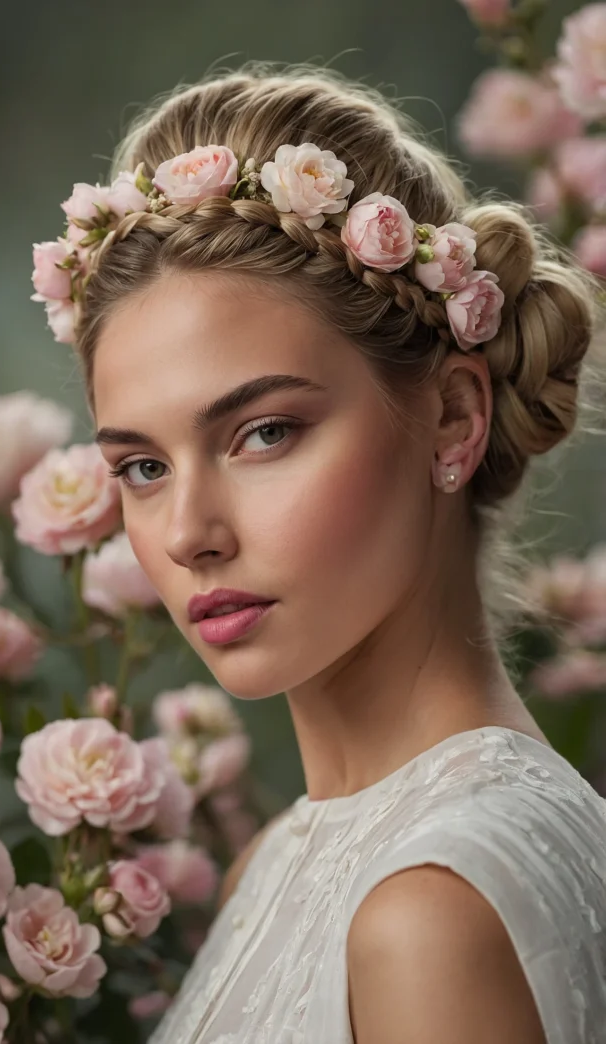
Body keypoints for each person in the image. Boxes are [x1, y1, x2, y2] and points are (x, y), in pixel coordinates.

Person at [32, 63, 606, 1044]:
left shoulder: (427, 911)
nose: (186, 534)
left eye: (262, 434)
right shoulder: (283, 859)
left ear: (452, 418)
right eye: (140, 466)